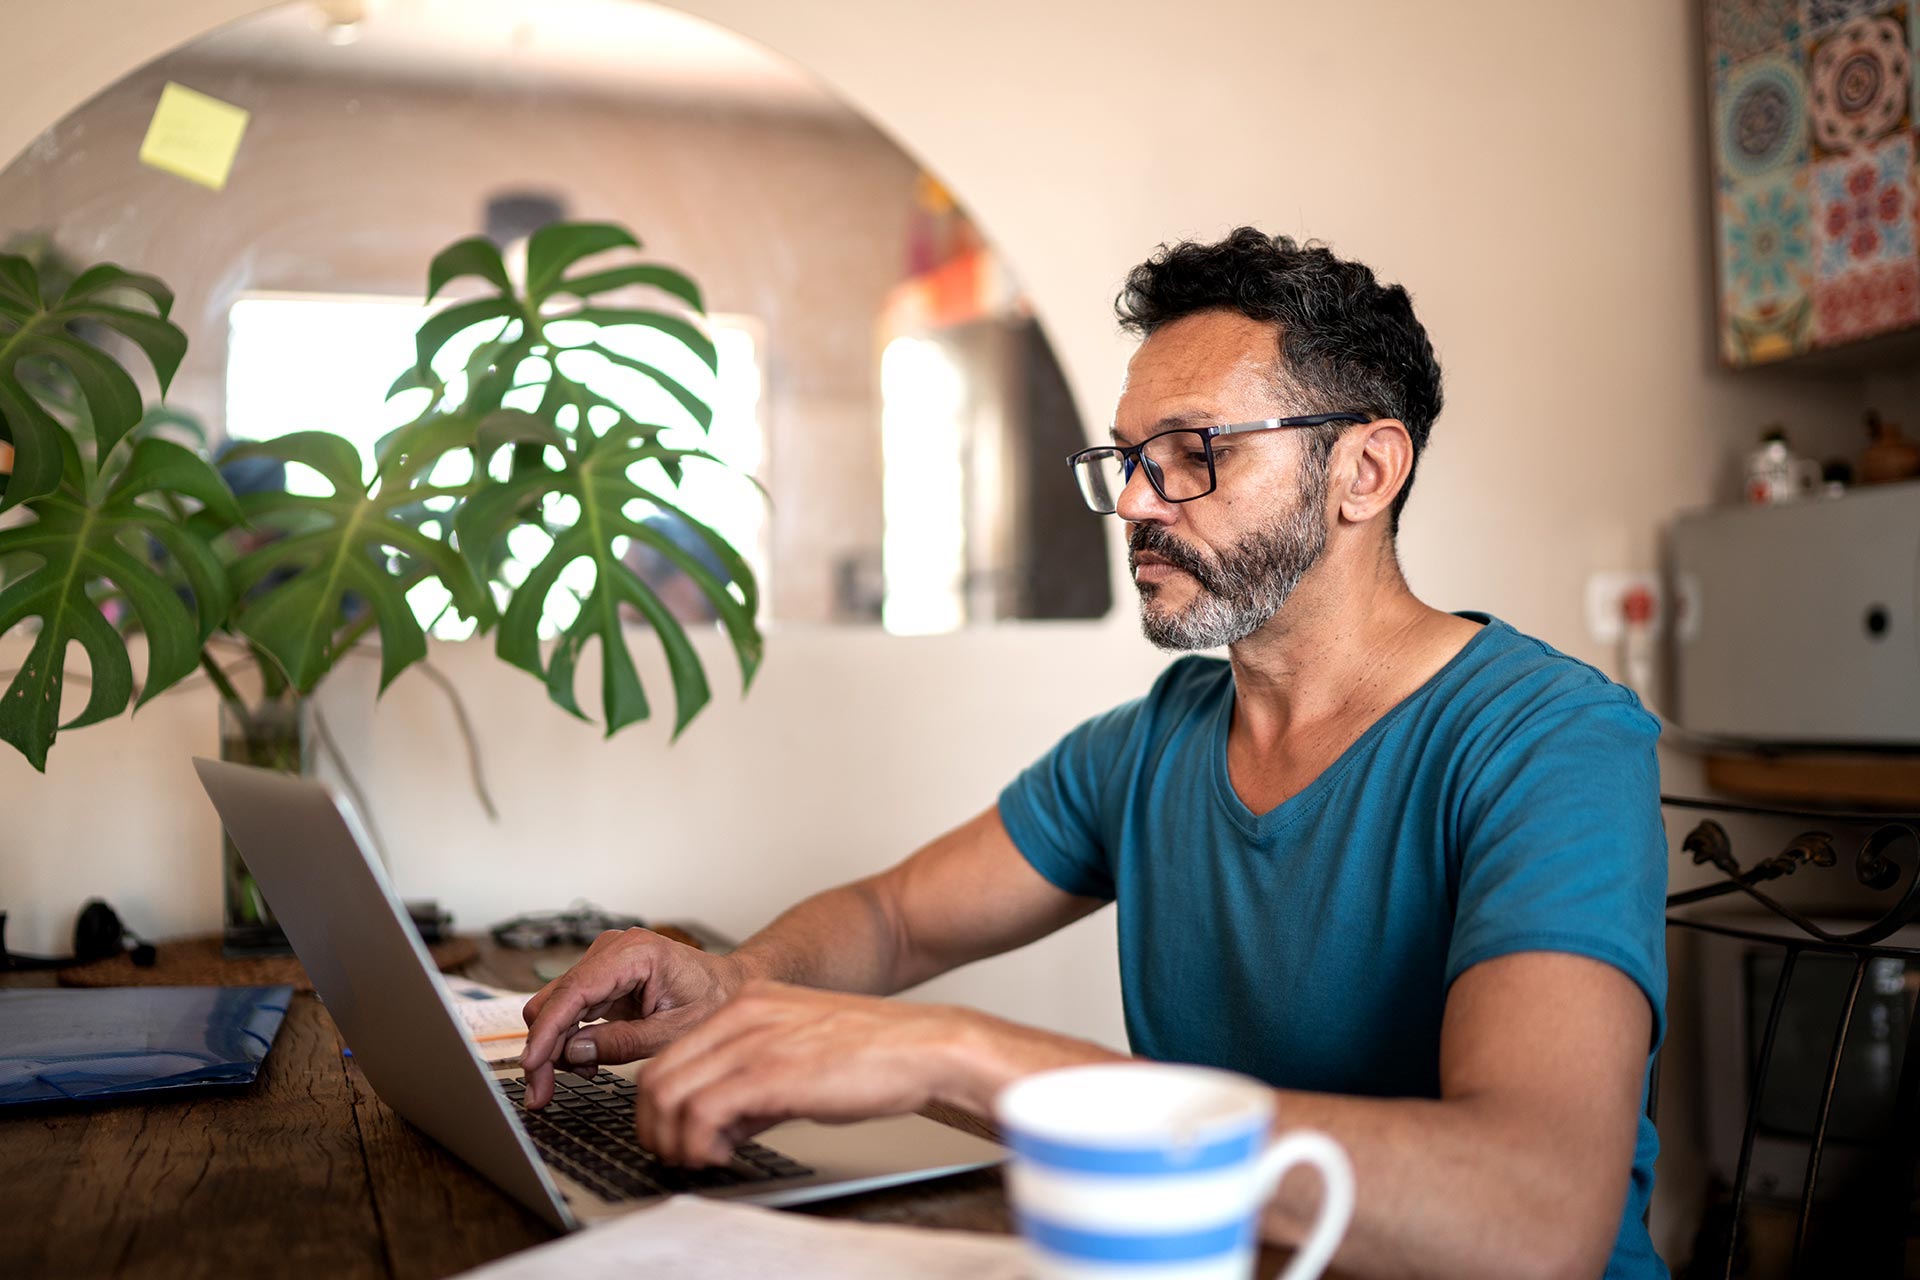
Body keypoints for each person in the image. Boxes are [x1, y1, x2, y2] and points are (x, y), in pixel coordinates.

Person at [519, 229, 1668, 1280]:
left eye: (1189, 453)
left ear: (1365, 471)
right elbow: (898, 917)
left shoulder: (1551, 745)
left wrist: (957, 1054)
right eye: (1125, 458)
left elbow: (1535, 1213)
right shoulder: (1154, 742)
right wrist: (736, 978)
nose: (1132, 502)